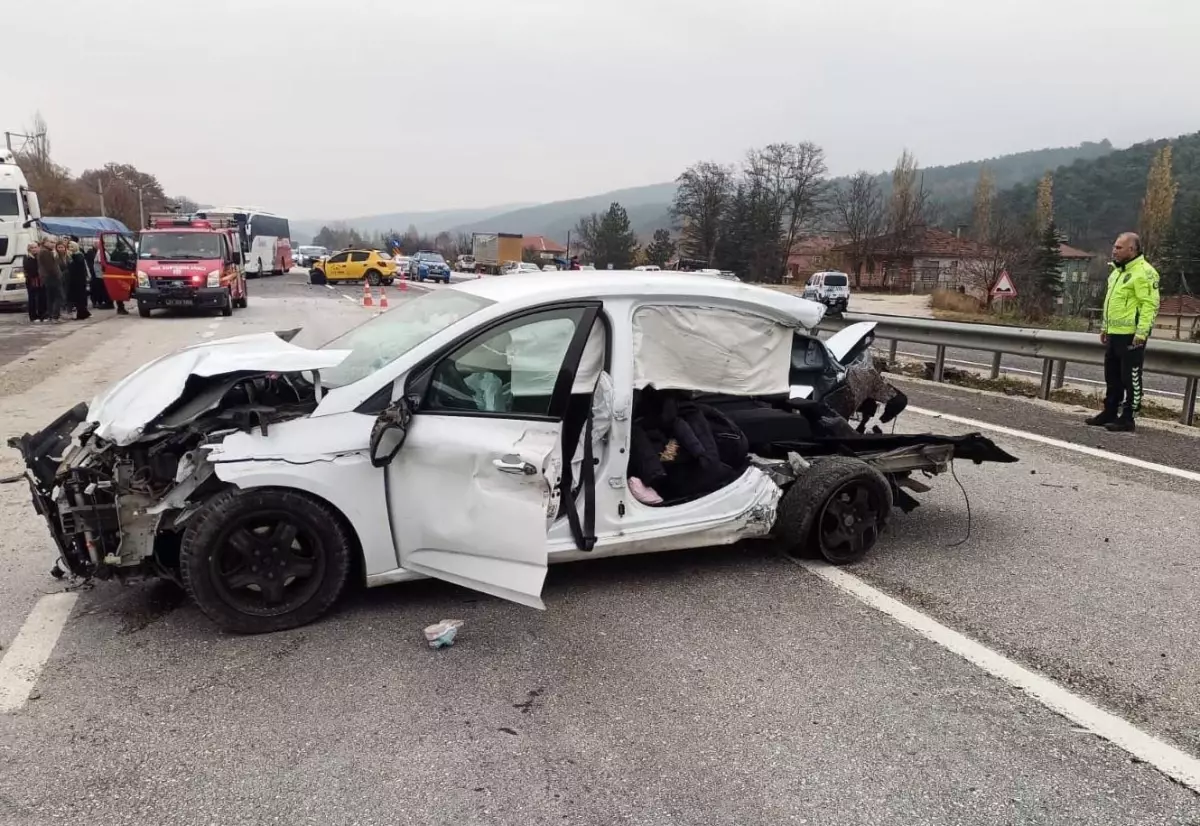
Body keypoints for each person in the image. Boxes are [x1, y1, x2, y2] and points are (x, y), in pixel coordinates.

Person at [1086, 231, 1160, 433]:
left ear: (1132, 249)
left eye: (1119, 247)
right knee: (1112, 376)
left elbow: (1149, 305)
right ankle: (1110, 411)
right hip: (1114, 333)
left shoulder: (1145, 272)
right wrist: (1105, 327)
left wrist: (1142, 333)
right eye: (1114, 246)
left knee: (1131, 377)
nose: (1114, 251)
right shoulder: (1117, 272)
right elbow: (1112, 303)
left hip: (1131, 335)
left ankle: (1128, 417)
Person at [37, 238, 64, 323]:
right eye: (51, 242)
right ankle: (55, 316)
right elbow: (50, 267)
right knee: (58, 296)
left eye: (54, 242)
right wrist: (58, 275)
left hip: (49, 277)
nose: (53, 244)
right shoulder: (45, 252)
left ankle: (52, 316)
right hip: (51, 277)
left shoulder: (46, 251)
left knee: (51, 297)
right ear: (45, 242)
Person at [66, 241, 92, 320]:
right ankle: (83, 313)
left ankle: (81, 314)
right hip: (75, 280)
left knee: (79, 298)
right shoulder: (75, 256)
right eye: (69, 247)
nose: (70, 249)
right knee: (78, 298)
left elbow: (77, 267)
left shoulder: (78, 255)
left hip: (79, 280)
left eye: (72, 247)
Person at [23, 243, 47, 322]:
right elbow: (31, 271)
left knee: (42, 297)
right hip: (32, 281)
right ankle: (33, 317)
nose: (34, 249)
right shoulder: (27, 258)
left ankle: (42, 315)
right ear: (29, 249)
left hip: (41, 280)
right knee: (32, 299)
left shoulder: (39, 256)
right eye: (32, 248)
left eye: (36, 247)